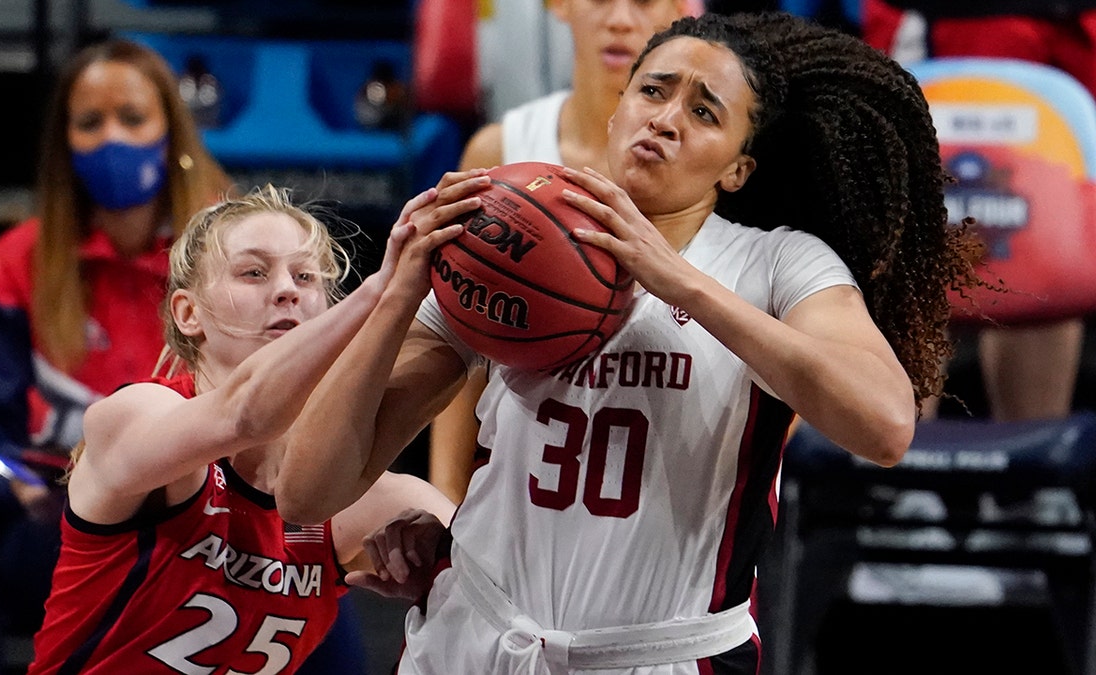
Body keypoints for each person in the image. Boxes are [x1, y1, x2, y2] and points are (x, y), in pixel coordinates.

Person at [275, 11, 982, 673]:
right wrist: (397, 297)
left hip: (663, 652)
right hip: (478, 632)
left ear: (737, 169)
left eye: (705, 111)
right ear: (618, 109)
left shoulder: (778, 265)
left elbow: (886, 426)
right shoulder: (513, 233)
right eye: (653, 91)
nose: (667, 119)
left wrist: (677, 280)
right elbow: (307, 492)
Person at [25, 184, 460, 673]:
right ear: (189, 314)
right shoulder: (132, 416)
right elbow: (246, 415)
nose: (287, 289)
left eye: (306, 277)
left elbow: (500, 578)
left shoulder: (353, 495)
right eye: (253, 272)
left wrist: (440, 555)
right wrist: (384, 291)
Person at [0, 39, 234, 674]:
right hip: (55, 516)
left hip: (200, 519)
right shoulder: (20, 261)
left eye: (133, 118)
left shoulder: (230, 255)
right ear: (66, 144)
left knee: (304, 546)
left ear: (171, 129)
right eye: (90, 123)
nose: (113, 137)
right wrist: (7, 482)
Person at [430, 0, 694, 504]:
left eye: (642, 1)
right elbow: (457, 338)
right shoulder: (499, 151)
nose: (619, 19)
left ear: (681, 9)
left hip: (655, 488)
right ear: (560, 5)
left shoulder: (702, 170)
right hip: (518, 478)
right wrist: (445, 495)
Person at [861, 0, 1094, 421]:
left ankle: (1030, 479)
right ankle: (889, 472)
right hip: (948, 23)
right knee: (913, 248)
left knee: (1050, 238)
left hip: (1079, 25)